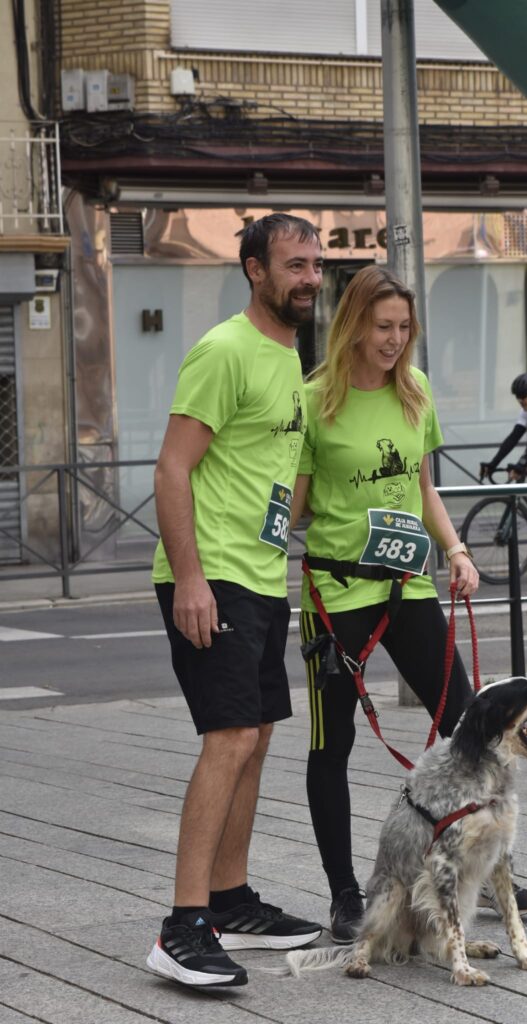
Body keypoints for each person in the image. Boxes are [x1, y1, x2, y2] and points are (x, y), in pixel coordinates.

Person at [292, 267, 527, 946]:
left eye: (404, 328)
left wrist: (456, 550)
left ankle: (492, 871)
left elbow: (423, 485)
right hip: (338, 592)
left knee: (467, 724)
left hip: (407, 586)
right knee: (332, 741)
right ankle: (345, 894)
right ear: (353, 325)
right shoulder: (313, 399)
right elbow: (295, 502)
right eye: (383, 327)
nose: (394, 340)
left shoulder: (415, 389)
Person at [146, 213, 325, 989]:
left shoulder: (287, 355)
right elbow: (171, 468)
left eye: (315, 264)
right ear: (255, 269)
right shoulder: (224, 350)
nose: (309, 277)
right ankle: (182, 926)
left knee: (255, 737)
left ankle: (229, 899)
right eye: (294, 264)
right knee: (228, 738)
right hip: (212, 573)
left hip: (259, 574)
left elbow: (275, 478)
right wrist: (189, 578)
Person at [480, 371, 527, 483]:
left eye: (523, 395)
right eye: (517, 397)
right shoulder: (526, 411)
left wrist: (522, 463)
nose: (520, 400)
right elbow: (513, 438)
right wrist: (493, 463)